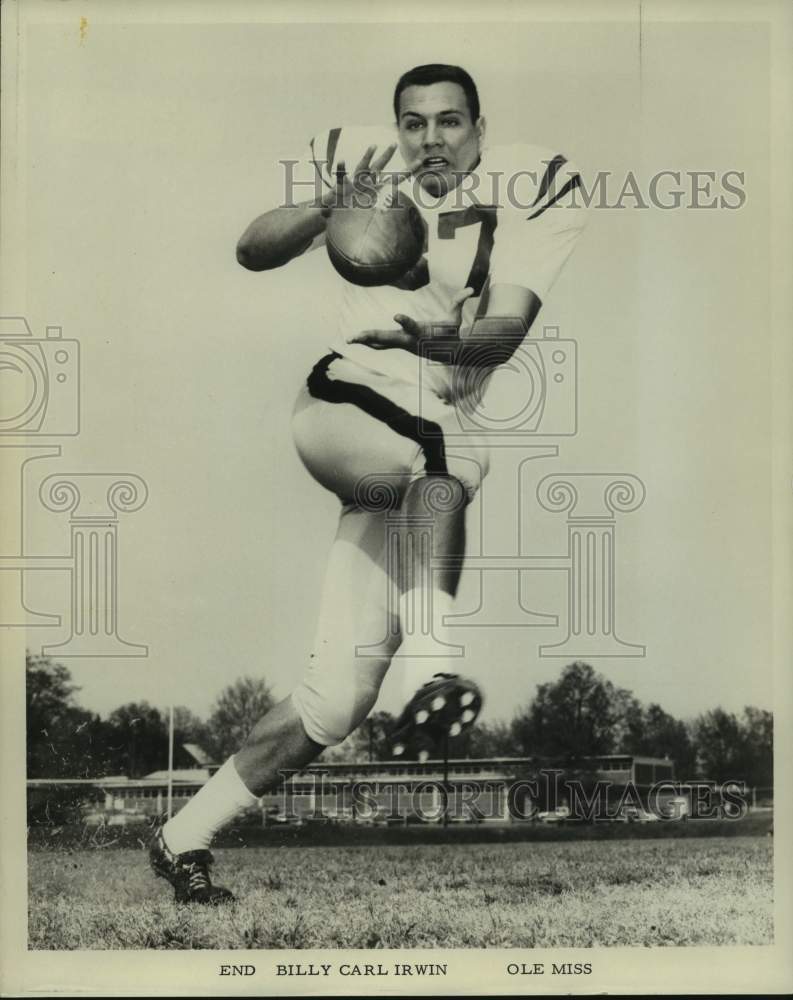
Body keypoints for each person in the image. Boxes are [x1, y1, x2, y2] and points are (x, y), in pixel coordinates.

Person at [150, 63, 589, 903]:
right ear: (396, 128)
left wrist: (435, 344)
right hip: (344, 400)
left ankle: (181, 837)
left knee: (335, 701)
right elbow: (250, 249)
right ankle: (434, 670)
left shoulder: (534, 186)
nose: (431, 139)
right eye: (414, 122)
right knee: (449, 459)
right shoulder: (359, 162)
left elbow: (498, 337)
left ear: (481, 130)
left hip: (413, 441)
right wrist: (327, 209)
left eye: (450, 122)